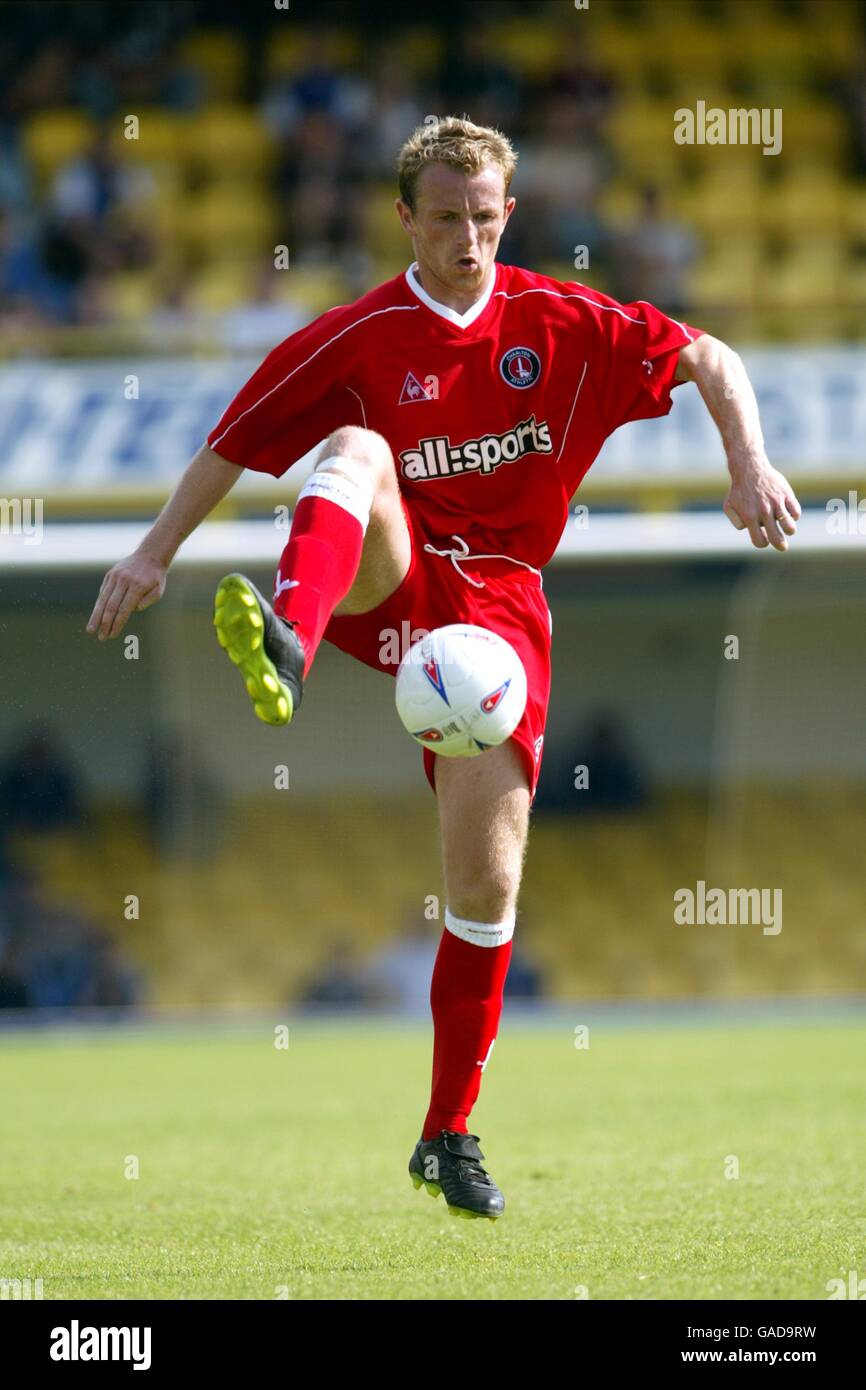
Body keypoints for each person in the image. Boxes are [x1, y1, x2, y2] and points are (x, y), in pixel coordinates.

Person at [86, 116, 802, 1221]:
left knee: (483, 888)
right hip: (396, 579)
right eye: (444, 217)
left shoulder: (561, 320)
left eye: (483, 216)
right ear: (404, 219)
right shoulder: (361, 334)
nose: (465, 236)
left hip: (501, 617)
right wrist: (149, 552)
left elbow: (710, 355)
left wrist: (746, 462)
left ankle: (445, 1132)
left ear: (505, 214)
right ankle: (292, 623)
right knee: (356, 449)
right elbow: (234, 440)